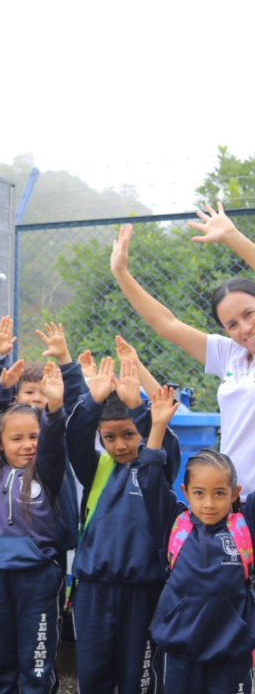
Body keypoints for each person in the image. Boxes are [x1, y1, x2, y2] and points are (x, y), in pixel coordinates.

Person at [110, 205, 255, 494]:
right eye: (232, 324)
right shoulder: (231, 354)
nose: (245, 328)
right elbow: (167, 324)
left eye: (249, 314)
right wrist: (121, 273)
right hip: (232, 499)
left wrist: (232, 236)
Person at [66, 357, 179, 694]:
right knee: (93, 675)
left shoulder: (156, 469)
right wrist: (92, 401)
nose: (119, 445)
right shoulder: (96, 467)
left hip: (144, 591)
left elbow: (166, 446)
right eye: (110, 437)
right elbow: (74, 436)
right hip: (94, 591)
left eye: (129, 434)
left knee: (139, 680)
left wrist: (140, 408)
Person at [138, 388, 255, 694]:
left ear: (235, 493)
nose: (209, 503)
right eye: (200, 493)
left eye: (220, 493)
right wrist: (157, 427)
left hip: (231, 651)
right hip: (180, 650)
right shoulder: (174, 522)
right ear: (186, 492)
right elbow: (150, 480)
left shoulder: (245, 525)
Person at [0, 362, 67, 694]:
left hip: (37, 577)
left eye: (33, 437)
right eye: (16, 438)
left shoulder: (46, 473)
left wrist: (54, 408)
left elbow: (53, 446)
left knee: (36, 660)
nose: (27, 445)